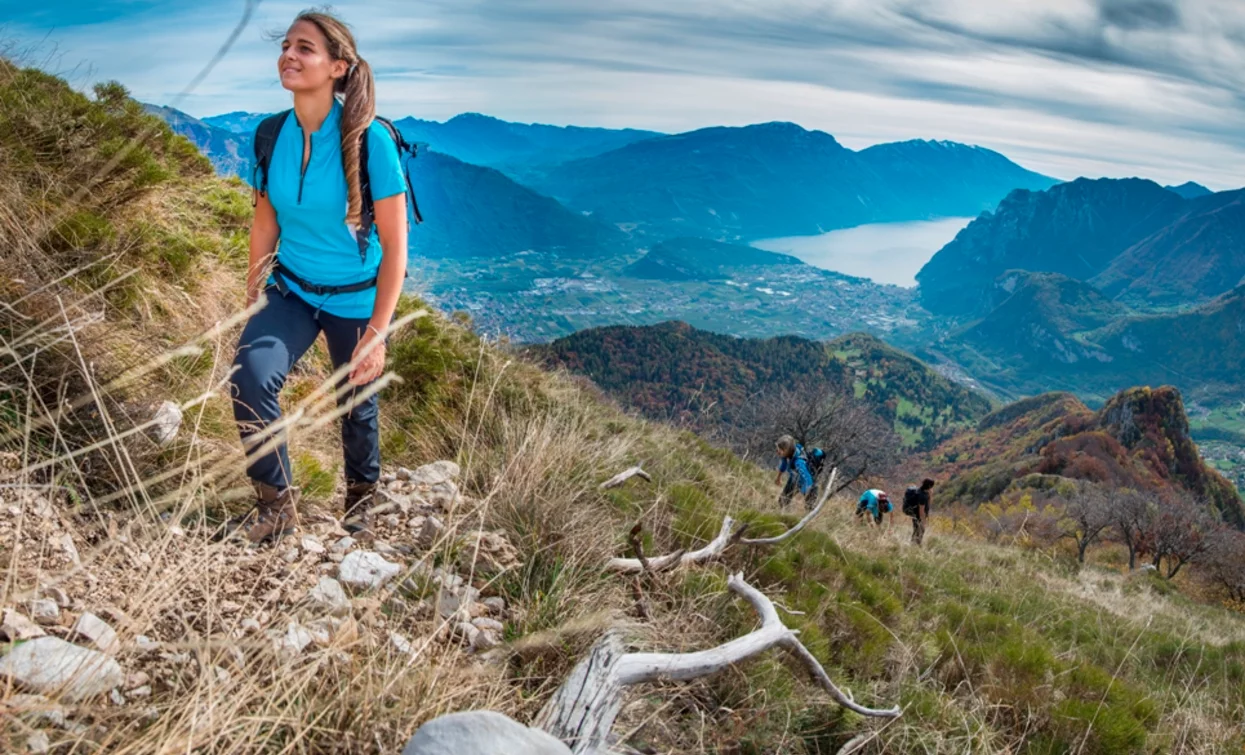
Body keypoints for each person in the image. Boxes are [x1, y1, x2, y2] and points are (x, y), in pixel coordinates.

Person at [227, 11, 408, 544]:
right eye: (285, 45)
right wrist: (254, 288)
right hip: (292, 288)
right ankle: (276, 506)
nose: (289, 55)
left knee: (356, 406)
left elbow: (396, 248)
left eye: (304, 48)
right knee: (250, 379)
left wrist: (377, 333)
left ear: (338, 67)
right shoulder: (270, 134)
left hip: (356, 298)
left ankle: (361, 501)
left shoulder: (371, 140)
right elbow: (265, 221)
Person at [774, 435, 821, 509]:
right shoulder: (788, 453)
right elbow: (784, 464)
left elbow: (808, 480)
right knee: (782, 501)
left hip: (809, 485)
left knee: (809, 508)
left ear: (786, 449)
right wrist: (778, 478)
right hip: (795, 479)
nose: (777, 451)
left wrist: (803, 493)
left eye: (779, 449)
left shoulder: (799, 462)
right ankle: (785, 518)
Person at [903, 478, 936, 545]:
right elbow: (921, 511)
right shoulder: (922, 496)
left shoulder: (922, 492)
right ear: (929, 486)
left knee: (917, 529)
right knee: (919, 530)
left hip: (915, 513)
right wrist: (923, 521)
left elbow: (928, 504)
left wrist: (930, 495)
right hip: (917, 515)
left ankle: (915, 544)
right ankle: (915, 545)